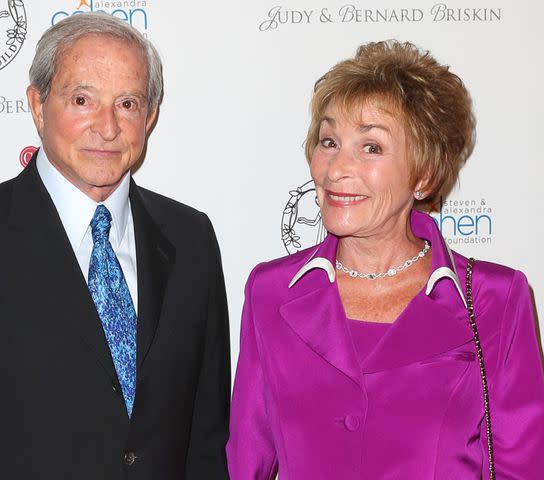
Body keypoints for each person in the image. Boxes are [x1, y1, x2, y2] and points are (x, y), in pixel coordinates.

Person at [0, 13, 230, 480]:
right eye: (82, 100)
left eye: (128, 103)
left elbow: (206, 441)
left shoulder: (191, 239)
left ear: (150, 116)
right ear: (38, 106)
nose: (108, 127)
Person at [227, 40, 544, 479]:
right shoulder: (271, 292)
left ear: (424, 174)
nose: (337, 168)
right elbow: (246, 462)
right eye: (329, 141)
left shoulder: (496, 299)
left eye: (371, 147)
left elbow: (523, 468)